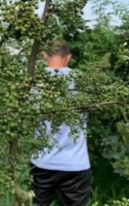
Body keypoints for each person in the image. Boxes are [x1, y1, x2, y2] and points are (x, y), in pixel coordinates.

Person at [30, 41, 91, 206]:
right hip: (75, 164)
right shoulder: (84, 82)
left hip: (42, 162)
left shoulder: (33, 82)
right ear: (69, 57)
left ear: (45, 55)